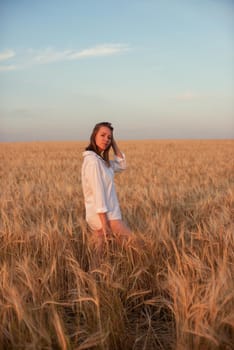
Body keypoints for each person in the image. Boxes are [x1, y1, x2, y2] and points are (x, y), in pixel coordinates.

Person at [81, 122, 132, 256]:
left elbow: (122, 165)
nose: (106, 139)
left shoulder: (101, 161)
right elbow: (98, 193)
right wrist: (105, 224)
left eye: (109, 137)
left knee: (100, 254)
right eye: (102, 135)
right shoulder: (93, 162)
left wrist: (113, 143)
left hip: (103, 214)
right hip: (106, 215)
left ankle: (91, 276)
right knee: (135, 246)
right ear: (94, 136)